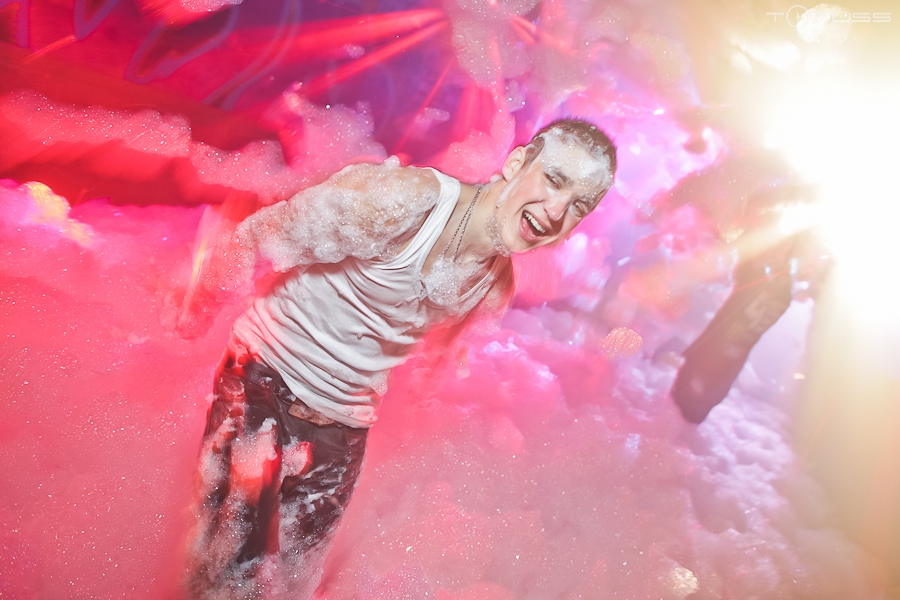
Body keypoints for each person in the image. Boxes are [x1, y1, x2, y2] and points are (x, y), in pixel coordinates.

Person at [177, 118, 617, 598]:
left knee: (292, 586)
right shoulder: (407, 201)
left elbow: (435, 360)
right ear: (515, 163)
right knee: (222, 582)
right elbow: (258, 237)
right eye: (553, 179)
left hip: (344, 424)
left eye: (578, 206)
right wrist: (189, 325)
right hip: (263, 376)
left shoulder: (494, 287)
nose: (556, 210)